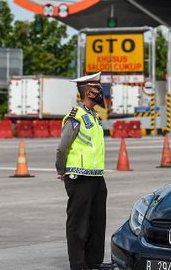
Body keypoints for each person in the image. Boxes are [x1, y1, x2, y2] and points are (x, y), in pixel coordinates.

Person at [55, 72, 111, 270]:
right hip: (79, 176)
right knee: (78, 223)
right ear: (88, 92)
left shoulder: (93, 116)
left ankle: (93, 261)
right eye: (97, 89)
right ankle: (78, 264)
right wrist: (61, 170)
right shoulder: (76, 116)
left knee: (97, 221)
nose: (100, 92)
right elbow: (63, 147)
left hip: (96, 176)